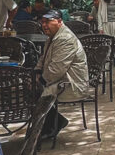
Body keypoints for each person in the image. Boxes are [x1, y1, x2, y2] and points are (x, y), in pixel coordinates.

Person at [36, 9, 90, 139]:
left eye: (48, 21)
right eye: (43, 22)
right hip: (59, 80)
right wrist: (36, 72)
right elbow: (43, 59)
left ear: (59, 22)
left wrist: (39, 81)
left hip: (70, 84)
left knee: (34, 92)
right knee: (29, 88)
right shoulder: (53, 37)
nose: (44, 25)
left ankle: (51, 125)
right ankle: (52, 122)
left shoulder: (65, 39)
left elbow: (56, 70)